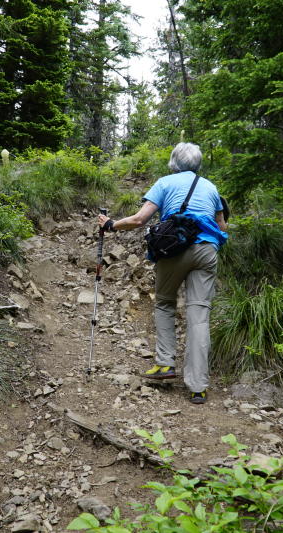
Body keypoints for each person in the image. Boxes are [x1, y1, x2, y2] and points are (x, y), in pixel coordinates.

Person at [97, 142, 228, 404]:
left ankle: (166, 364)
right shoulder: (211, 188)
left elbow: (139, 220)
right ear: (197, 164)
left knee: (166, 302)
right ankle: (198, 386)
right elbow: (222, 226)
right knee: (199, 313)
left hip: (174, 249)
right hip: (207, 252)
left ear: (174, 162)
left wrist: (111, 225)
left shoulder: (165, 183)